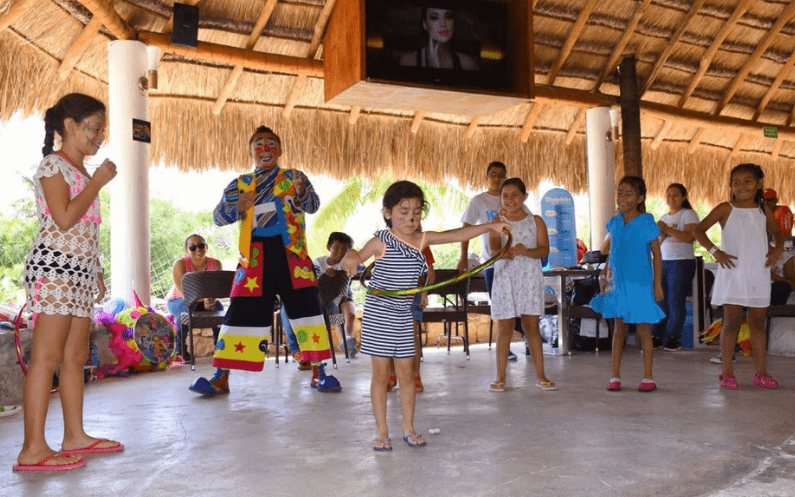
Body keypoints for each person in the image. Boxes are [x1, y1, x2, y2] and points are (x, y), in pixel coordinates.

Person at [341, 180, 510, 451]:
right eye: (403, 211)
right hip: (379, 314)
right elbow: (357, 256)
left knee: (407, 375)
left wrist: (490, 226)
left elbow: (458, 235)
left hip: (403, 315)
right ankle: (382, 430)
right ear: (387, 213)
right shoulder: (381, 240)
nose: (411, 217)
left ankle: (408, 427)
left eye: (417, 212)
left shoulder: (423, 240)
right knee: (381, 376)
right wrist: (350, 254)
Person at [189, 126, 340, 396]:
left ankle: (319, 372)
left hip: (292, 253)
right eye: (258, 145)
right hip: (254, 256)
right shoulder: (240, 184)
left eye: (271, 144)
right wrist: (238, 207)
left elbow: (314, 205)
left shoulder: (295, 177)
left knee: (308, 309)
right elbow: (217, 217)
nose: (265, 149)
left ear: (280, 150)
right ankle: (221, 377)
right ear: (250, 152)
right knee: (240, 311)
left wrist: (303, 192)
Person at [15, 93, 121, 472]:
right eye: (92, 128)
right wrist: (99, 184)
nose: (98, 136)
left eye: (101, 130)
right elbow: (62, 220)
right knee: (47, 357)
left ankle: (74, 434)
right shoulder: (52, 167)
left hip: (77, 273)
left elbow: (87, 230)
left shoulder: (83, 172)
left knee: (75, 356)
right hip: (53, 270)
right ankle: (32, 449)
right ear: (70, 126)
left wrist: (97, 271)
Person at [693, 164, 784, 389]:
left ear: (760, 184)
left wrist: (776, 250)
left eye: (748, 181)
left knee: (758, 324)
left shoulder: (764, 210)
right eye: (736, 182)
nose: (741, 186)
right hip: (733, 272)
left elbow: (777, 233)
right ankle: (727, 372)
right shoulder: (726, 208)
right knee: (731, 322)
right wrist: (715, 251)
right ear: (730, 185)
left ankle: (761, 372)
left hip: (758, 273)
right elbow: (697, 230)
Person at [590, 176, 665, 392]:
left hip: (641, 283)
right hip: (617, 282)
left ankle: (648, 376)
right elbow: (610, 251)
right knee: (619, 329)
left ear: (640, 198)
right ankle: (615, 375)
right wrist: (604, 274)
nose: (622, 197)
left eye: (629, 193)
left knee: (643, 330)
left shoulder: (646, 222)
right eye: (620, 192)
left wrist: (657, 284)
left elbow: (657, 255)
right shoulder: (614, 222)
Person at [488, 178, 556, 392]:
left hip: (528, 278)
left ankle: (541, 375)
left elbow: (544, 250)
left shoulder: (535, 221)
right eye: (505, 196)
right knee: (505, 327)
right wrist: (504, 253)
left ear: (524, 196)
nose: (510, 200)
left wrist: (526, 250)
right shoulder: (497, 222)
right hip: (505, 277)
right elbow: (492, 249)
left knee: (531, 326)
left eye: (514, 195)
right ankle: (500, 377)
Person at [458, 161, 523, 361]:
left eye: (501, 175)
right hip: (493, 264)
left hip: (516, 262)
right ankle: (506, 348)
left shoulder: (512, 199)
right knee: (501, 306)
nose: (497, 178)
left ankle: (530, 338)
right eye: (493, 174)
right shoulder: (479, 201)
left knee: (519, 305)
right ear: (487, 177)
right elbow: (465, 230)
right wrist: (463, 256)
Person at [652, 183, 700, 352]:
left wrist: (667, 229)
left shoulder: (688, 214)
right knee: (660, 300)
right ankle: (657, 336)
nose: (671, 199)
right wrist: (662, 232)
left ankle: (674, 337)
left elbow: (689, 238)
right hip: (663, 262)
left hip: (681, 261)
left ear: (684, 197)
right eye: (668, 195)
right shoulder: (664, 217)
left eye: (675, 195)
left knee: (675, 301)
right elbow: (657, 243)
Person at [386, 237, 436, 393]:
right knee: (391, 335)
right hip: (393, 294)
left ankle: (415, 376)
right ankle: (392, 376)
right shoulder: (388, 244)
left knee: (410, 334)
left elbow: (431, 274)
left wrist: (424, 293)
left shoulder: (423, 244)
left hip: (415, 293)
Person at [166, 234, 223, 361]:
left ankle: (220, 347)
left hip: (203, 300)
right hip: (179, 300)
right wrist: (204, 300)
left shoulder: (216, 264)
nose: (198, 249)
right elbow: (184, 292)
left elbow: (217, 288)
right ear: (187, 251)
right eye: (192, 247)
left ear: (206, 247)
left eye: (201, 245)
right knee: (185, 311)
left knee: (219, 308)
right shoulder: (180, 263)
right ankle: (180, 349)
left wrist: (211, 300)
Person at [314, 231, 358, 357]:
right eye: (336, 248)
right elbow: (314, 280)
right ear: (328, 247)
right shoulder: (318, 262)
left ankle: (347, 339)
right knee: (337, 316)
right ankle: (345, 341)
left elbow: (355, 271)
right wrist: (325, 276)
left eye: (345, 250)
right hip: (326, 297)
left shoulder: (348, 263)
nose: (340, 252)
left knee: (350, 314)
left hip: (344, 294)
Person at [399, 7, 478, 70]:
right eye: (434, 17)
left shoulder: (467, 63)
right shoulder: (409, 61)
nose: (443, 24)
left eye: (448, 16)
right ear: (425, 24)